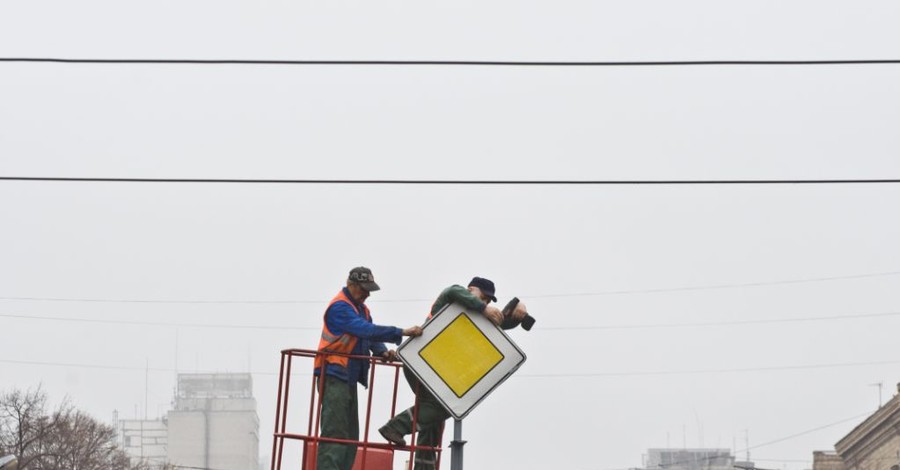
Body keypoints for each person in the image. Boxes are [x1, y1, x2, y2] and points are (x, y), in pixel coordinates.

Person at [377, 276, 528, 470]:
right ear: (471, 290)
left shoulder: (472, 314)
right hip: (421, 364)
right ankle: (396, 426)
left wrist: (516, 318)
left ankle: (424, 467)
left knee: (433, 418)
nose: (486, 303)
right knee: (442, 407)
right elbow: (452, 290)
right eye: (485, 298)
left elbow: (495, 323)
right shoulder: (452, 300)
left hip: (437, 371)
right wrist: (484, 309)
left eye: (489, 302)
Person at [314, 267, 423, 470]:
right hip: (333, 373)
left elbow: (368, 337)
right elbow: (364, 329)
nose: (367, 294)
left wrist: (382, 351)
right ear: (351, 285)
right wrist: (402, 332)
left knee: (350, 436)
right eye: (364, 289)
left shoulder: (362, 310)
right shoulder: (340, 307)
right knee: (335, 433)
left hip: (348, 376)